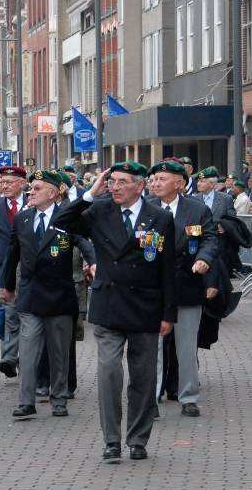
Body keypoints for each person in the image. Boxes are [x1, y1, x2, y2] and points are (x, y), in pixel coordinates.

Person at [53, 161, 176, 461]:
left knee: (143, 378)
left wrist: (168, 314)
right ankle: (111, 439)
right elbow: (63, 222)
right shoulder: (99, 210)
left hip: (145, 307)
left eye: (122, 182)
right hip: (109, 305)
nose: (115, 187)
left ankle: (137, 439)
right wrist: (89, 194)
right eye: (112, 182)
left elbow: (168, 269)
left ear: (139, 185)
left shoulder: (158, 217)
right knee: (109, 373)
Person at [3, 170, 94, 419]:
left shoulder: (65, 218)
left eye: (37, 188)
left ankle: (59, 398)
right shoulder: (22, 218)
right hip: (31, 296)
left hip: (60, 297)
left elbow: (84, 242)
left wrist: (93, 262)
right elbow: (12, 254)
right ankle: (26, 401)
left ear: (53, 193)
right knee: (29, 350)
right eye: (30, 188)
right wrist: (6, 285)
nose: (30, 192)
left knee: (59, 353)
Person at [147, 160, 218, 418]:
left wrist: (204, 259)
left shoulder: (197, 210)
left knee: (186, 346)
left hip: (187, 286)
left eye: (161, 179)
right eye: (153, 179)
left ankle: (188, 396)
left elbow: (209, 239)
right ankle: (151, 397)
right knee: (151, 347)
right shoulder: (146, 208)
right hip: (153, 290)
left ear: (179, 183)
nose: (155, 183)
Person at [0, 165, 28, 379]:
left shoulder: (34, 202)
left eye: (9, 182)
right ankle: (9, 358)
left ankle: (27, 358)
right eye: (2, 182)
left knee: (27, 315)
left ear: (22, 183)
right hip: (5, 267)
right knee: (10, 314)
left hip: (30, 268)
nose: (4, 186)